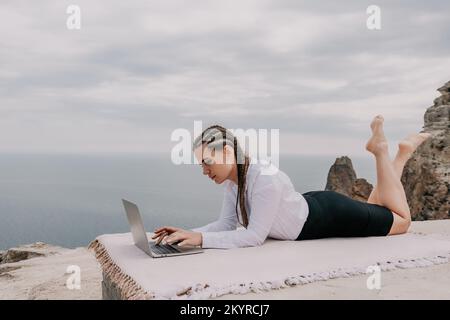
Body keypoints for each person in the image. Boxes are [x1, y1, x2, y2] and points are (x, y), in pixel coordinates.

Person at [152, 115, 431, 249]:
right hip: (312, 206)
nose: (204, 171)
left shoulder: (264, 179)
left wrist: (200, 240)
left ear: (226, 153)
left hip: (330, 216)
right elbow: (225, 226)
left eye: (206, 162)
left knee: (401, 220)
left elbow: (253, 237)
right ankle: (402, 153)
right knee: (378, 208)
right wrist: (187, 233)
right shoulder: (234, 182)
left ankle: (382, 149)